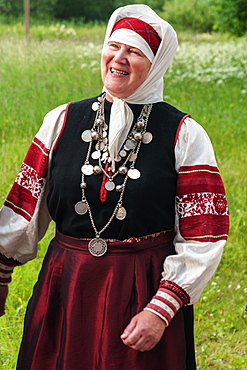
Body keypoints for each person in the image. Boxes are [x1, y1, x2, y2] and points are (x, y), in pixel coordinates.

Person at [0, 4, 229, 370]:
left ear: (155, 63)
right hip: (67, 285)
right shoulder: (61, 120)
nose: (118, 58)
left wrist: (161, 308)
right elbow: (25, 206)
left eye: (134, 51)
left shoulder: (185, 135)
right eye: (114, 46)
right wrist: (1, 270)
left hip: (141, 289)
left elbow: (205, 233)